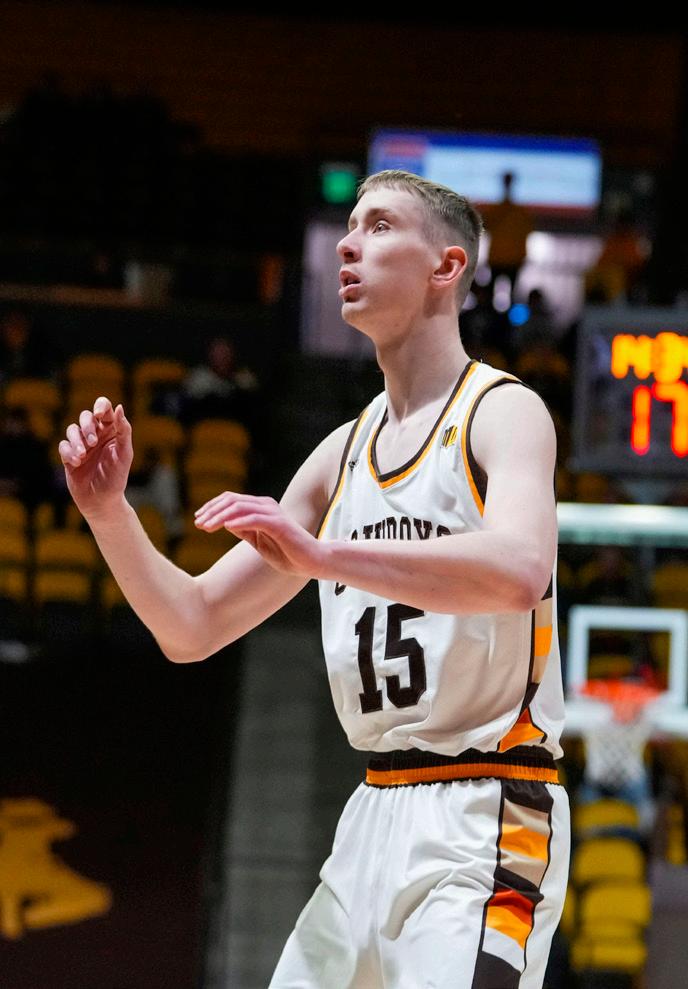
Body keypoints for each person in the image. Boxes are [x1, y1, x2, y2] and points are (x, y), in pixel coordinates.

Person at [58, 169, 569, 988]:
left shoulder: (503, 412)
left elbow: (518, 572)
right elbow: (192, 626)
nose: (347, 245)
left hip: (484, 814)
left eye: (379, 226)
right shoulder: (341, 453)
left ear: (446, 267)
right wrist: (108, 513)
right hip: (369, 818)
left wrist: (327, 554)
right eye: (349, 226)